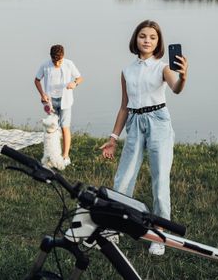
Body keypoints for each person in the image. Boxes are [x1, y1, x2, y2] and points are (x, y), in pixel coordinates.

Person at [100, 20, 188, 256]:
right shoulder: (126, 71)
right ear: (135, 39)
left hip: (158, 121)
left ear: (158, 42)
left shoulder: (163, 68)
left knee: (160, 179)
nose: (147, 40)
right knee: (123, 178)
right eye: (142, 36)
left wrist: (184, 75)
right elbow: (124, 106)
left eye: (152, 37)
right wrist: (113, 137)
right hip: (135, 123)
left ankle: (160, 235)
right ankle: (115, 226)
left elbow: (177, 88)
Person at [35, 44, 83, 165]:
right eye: (54, 61)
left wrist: (74, 83)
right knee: (52, 129)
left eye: (59, 61)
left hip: (65, 101)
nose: (57, 63)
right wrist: (42, 95)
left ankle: (65, 156)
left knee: (65, 127)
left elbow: (80, 78)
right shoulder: (45, 65)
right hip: (50, 101)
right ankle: (52, 155)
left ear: (63, 56)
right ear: (51, 58)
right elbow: (36, 80)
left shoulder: (69, 63)